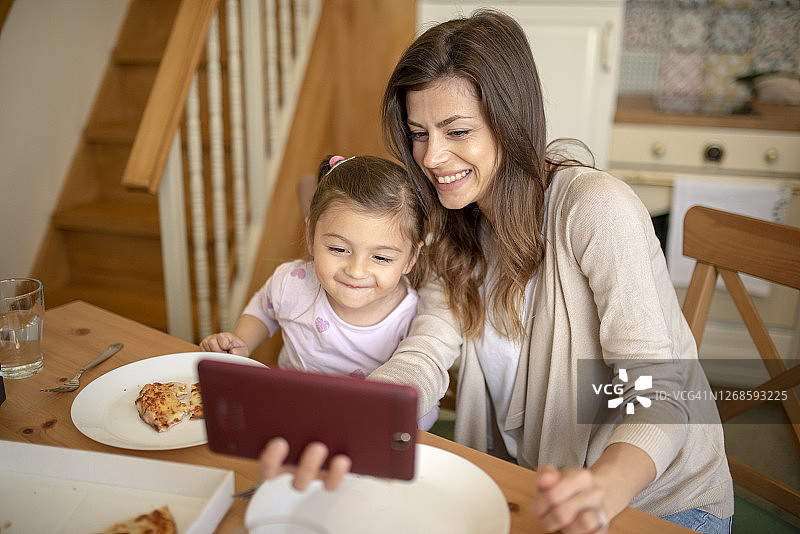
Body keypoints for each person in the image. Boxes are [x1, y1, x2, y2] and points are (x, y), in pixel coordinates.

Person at [259, 9, 735, 534]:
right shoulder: (455, 227)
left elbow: (661, 390)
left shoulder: (596, 209)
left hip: (661, 506)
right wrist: (359, 418)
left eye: (457, 131)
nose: (431, 157)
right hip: (534, 488)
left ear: (511, 121)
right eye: (418, 133)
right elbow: (425, 352)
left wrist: (604, 485)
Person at [200, 154, 439, 430]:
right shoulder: (293, 283)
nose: (356, 271)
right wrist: (241, 341)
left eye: (381, 258)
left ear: (411, 258)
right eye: (339, 249)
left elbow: (420, 404)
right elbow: (264, 309)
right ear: (311, 235)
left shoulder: (412, 318)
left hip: (363, 431)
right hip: (289, 416)